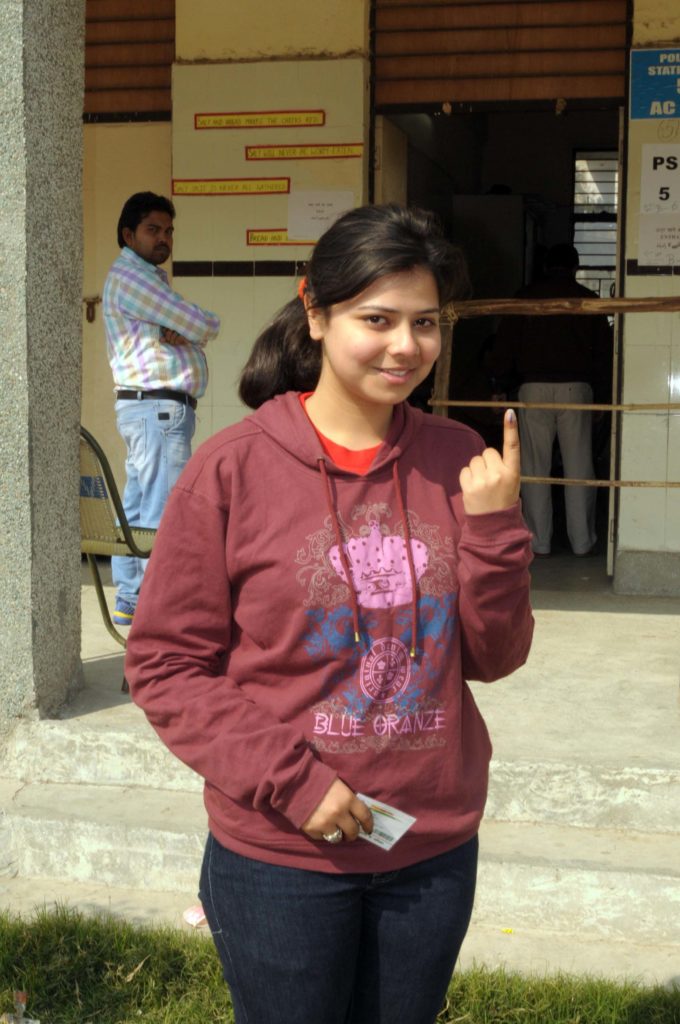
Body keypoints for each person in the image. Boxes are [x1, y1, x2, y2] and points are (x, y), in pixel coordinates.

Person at [125, 204, 534, 1024]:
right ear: (314, 312)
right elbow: (165, 664)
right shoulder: (232, 470)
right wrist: (293, 783)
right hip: (283, 852)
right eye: (376, 320)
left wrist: (492, 529)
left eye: (426, 323)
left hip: (430, 847)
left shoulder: (458, 458)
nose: (405, 346)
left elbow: (493, 655)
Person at [102, 191, 221, 624]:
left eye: (168, 230)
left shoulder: (147, 279)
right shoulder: (134, 278)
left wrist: (180, 327)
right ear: (128, 234)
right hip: (157, 412)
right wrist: (194, 327)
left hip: (148, 411)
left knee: (138, 508)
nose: (163, 239)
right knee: (163, 512)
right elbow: (200, 322)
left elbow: (181, 321)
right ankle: (160, 614)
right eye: (153, 230)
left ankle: (131, 600)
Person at [490, 243, 613, 557]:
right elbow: (603, 355)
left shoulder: (524, 298)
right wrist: (601, 395)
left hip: (532, 388)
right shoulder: (588, 300)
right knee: (579, 467)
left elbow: (505, 345)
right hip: (578, 388)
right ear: (575, 266)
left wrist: (500, 384)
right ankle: (582, 541)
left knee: (534, 467)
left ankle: (538, 541)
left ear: (545, 265)